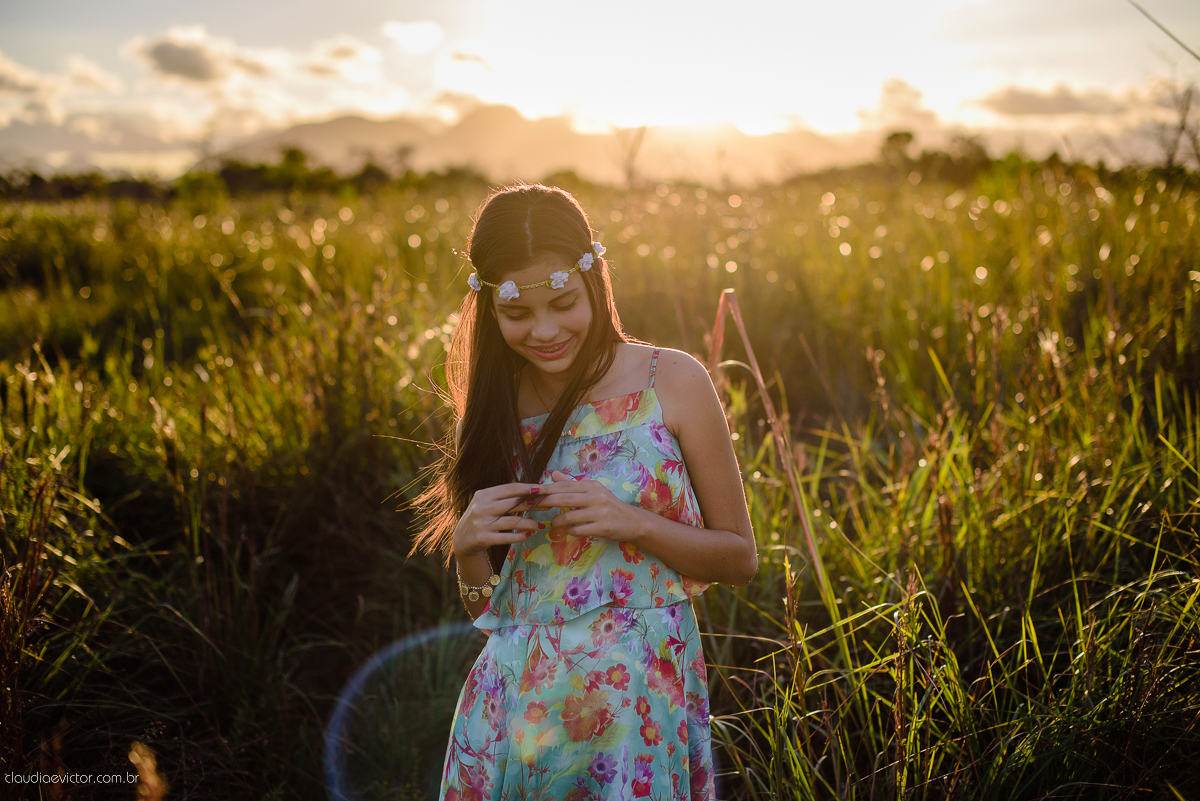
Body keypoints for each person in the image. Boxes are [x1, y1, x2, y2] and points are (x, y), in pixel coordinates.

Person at [412, 183, 757, 800]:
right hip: (518, 705)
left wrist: (635, 523)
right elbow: (490, 612)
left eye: (564, 302)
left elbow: (739, 558)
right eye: (517, 314)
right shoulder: (494, 406)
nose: (544, 330)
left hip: (638, 704)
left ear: (595, 280)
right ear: (489, 308)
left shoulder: (671, 379)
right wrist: (466, 548)